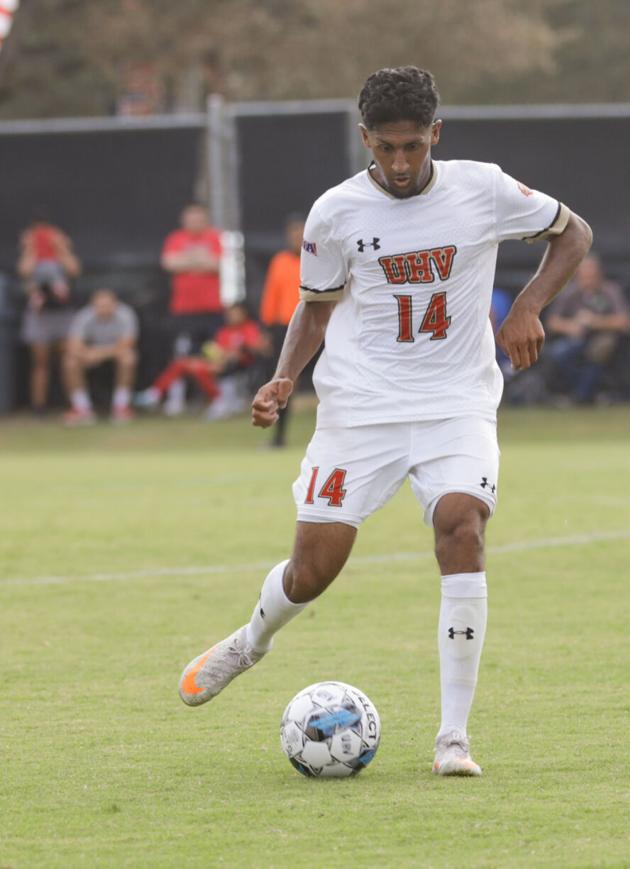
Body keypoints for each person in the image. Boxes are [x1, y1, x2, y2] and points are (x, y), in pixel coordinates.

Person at [176, 66, 592, 777]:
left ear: (436, 134)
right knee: (312, 570)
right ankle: (252, 640)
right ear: (365, 139)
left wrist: (526, 306)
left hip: (456, 402)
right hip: (360, 410)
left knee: (461, 524)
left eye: (413, 146)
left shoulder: (482, 187)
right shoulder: (336, 211)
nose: (400, 163)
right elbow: (316, 306)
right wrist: (284, 376)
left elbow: (573, 232)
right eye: (386, 148)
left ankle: (452, 738)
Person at [137, 302, 269, 419]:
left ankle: (219, 400)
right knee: (181, 363)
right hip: (218, 362)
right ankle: (155, 393)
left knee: (199, 368)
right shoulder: (224, 331)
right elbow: (217, 350)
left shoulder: (250, 329)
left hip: (238, 366)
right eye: (229, 314)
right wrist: (215, 356)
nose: (231, 317)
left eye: (235, 314)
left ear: (243, 314)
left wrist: (236, 352)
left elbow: (255, 348)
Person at [543, 253, 630, 404]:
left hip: (603, 338)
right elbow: (552, 322)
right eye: (584, 275)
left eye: (592, 274)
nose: (588, 279)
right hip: (575, 339)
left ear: (599, 274)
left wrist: (595, 321)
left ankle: (581, 396)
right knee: (559, 354)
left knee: (599, 350)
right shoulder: (569, 292)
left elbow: (624, 322)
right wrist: (570, 326)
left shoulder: (610, 290)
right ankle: (582, 391)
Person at [161, 203, 224, 408]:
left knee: (213, 354)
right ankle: (175, 399)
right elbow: (169, 263)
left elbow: (217, 264)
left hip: (211, 309)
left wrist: (187, 261)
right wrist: (200, 260)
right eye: (191, 219)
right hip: (184, 310)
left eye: (199, 218)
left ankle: (218, 399)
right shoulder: (175, 238)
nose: (195, 223)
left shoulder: (215, 237)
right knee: (182, 355)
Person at [17, 213, 81, 415]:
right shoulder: (32, 254)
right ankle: (39, 408)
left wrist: (61, 246)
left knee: (69, 360)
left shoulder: (60, 254)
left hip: (63, 314)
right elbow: (24, 272)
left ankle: (76, 405)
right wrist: (31, 248)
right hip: (39, 316)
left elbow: (74, 270)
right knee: (40, 363)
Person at [259, 214, 305, 445]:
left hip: (315, 327)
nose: (297, 238)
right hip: (285, 329)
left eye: (301, 232)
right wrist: (266, 329)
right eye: (293, 233)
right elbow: (271, 295)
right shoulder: (280, 261)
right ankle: (279, 436)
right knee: (283, 384)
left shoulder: (318, 258)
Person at [60, 288, 138, 425]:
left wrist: (98, 353)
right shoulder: (84, 316)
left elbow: (127, 345)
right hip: (89, 355)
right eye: (100, 306)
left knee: (128, 358)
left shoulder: (126, 314)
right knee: (70, 361)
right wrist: (86, 354)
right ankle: (82, 409)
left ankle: (121, 407)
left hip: (111, 354)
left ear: (115, 305)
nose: (104, 309)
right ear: (92, 306)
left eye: (108, 305)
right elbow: (73, 345)